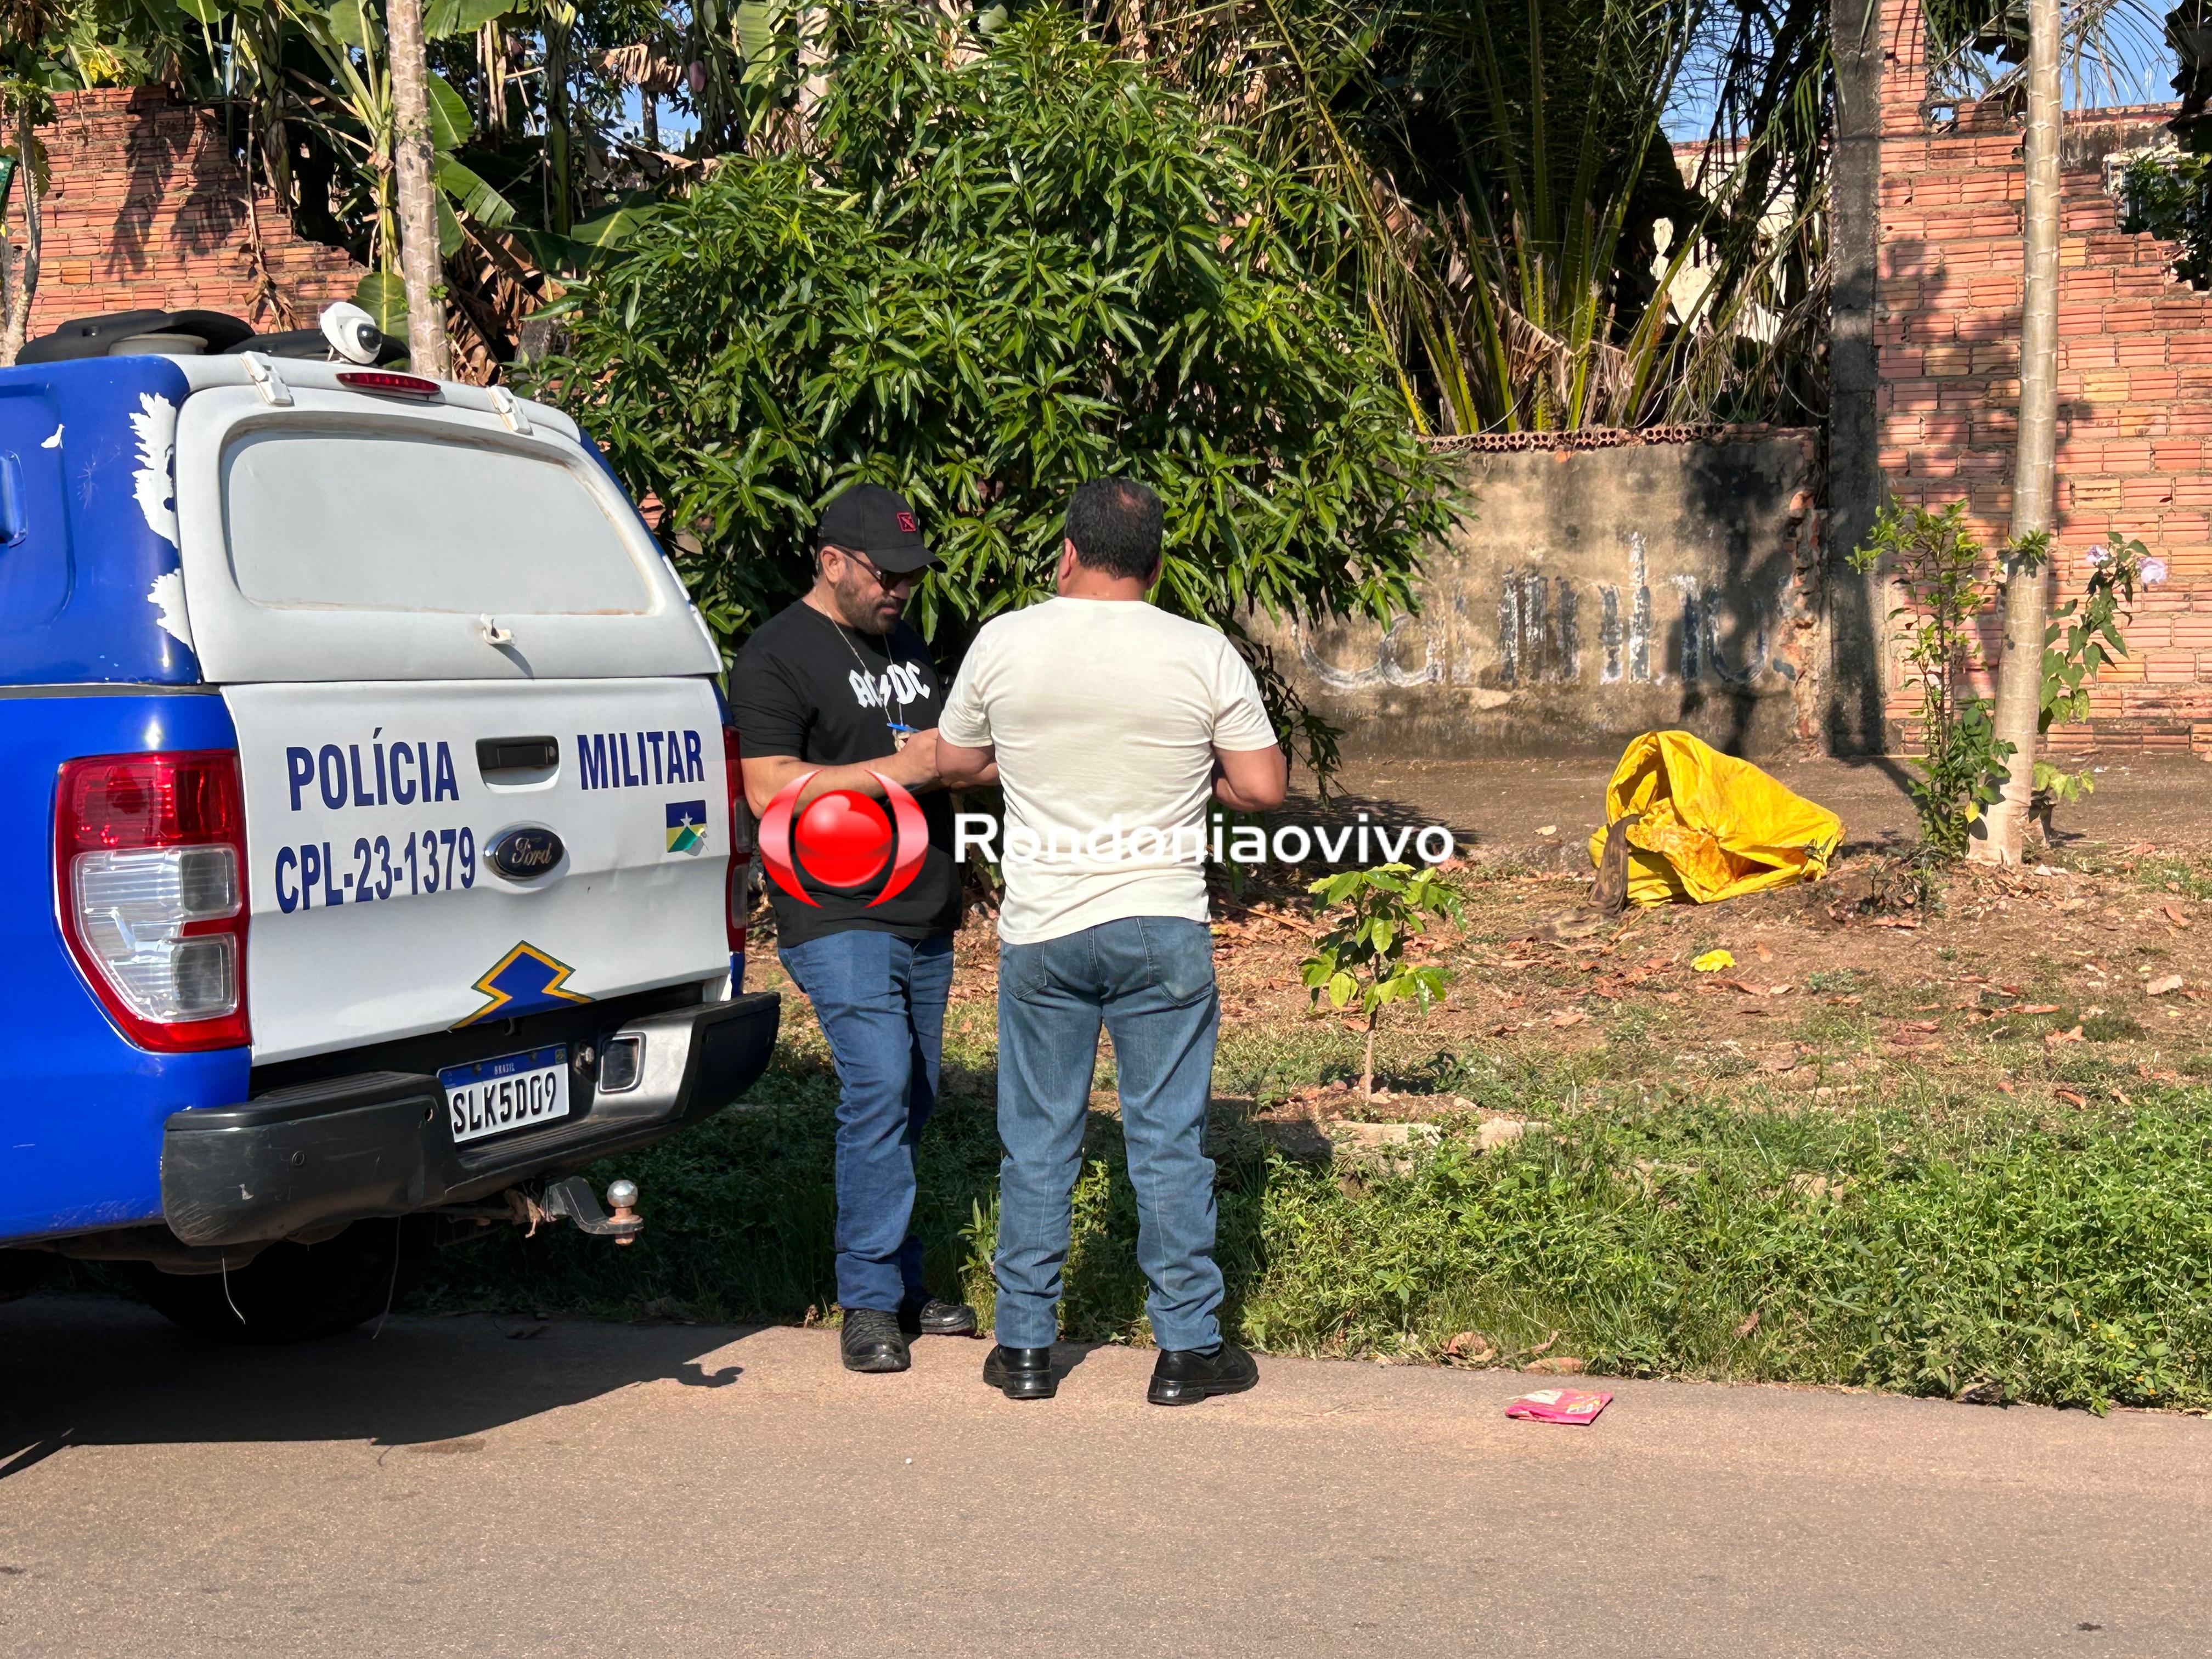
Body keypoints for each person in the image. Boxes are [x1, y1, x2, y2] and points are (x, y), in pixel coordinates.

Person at [936, 477, 1288, 1406]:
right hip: (1158, 923)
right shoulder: (1200, 652)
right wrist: (1187, 784)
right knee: (1168, 1141)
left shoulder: (1005, 641)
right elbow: (1261, 790)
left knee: (1038, 1141)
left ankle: (1022, 1350)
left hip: (1044, 931)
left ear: (1066, 551)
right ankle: (1186, 1354)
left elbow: (957, 760)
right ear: (1157, 564)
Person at [729, 482, 989, 1374]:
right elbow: (767, 786)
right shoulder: (777, 654)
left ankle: (905, 1281)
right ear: (831, 560)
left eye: (913, 579)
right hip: (834, 911)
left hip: (922, 908)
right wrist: (904, 769)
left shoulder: (903, 641)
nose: (900, 593)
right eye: (885, 576)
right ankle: (869, 1300)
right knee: (878, 1083)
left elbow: (941, 750)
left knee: (912, 1093)